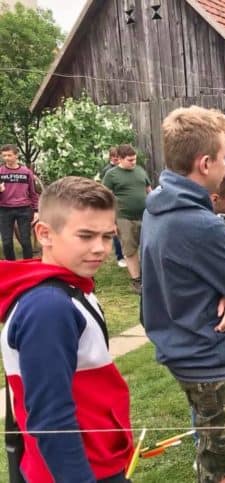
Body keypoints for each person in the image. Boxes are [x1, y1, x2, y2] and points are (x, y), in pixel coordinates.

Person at [140, 106, 225, 481]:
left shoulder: (157, 204)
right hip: (211, 359)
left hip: (180, 347)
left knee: (209, 442)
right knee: (221, 462)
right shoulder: (202, 224)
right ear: (205, 163)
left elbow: (185, 274)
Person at [0, 176, 133, 481]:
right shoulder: (49, 307)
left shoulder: (71, 288)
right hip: (80, 471)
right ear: (44, 234)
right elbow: (51, 419)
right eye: (86, 236)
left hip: (98, 458)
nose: (100, 249)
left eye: (107, 237)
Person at [102, 144, 151, 293]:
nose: (133, 162)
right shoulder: (111, 175)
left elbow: (149, 190)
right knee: (130, 249)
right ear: (120, 159)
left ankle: (149, 276)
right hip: (124, 217)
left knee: (148, 246)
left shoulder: (140, 171)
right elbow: (105, 197)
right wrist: (109, 219)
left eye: (135, 159)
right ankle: (136, 280)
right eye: (130, 160)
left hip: (145, 215)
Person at [0, 144, 39, 260]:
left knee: (26, 241)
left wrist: (36, 211)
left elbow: (33, 192)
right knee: (7, 242)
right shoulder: (0, 171)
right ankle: (11, 265)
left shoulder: (26, 172)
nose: (6, 158)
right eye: (4, 156)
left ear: (16, 155)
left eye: (9, 155)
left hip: (24, 209)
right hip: (4, 210)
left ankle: (28, 264)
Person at [99, 147, 127, 267]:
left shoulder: (122, 170)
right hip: (114, 205)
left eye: (119, 158)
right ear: (111, 158)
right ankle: (120, 256)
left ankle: (127, 253)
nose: (117, 160)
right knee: (116, 232)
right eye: (115, 158)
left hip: (124, 206)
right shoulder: (107, 171)